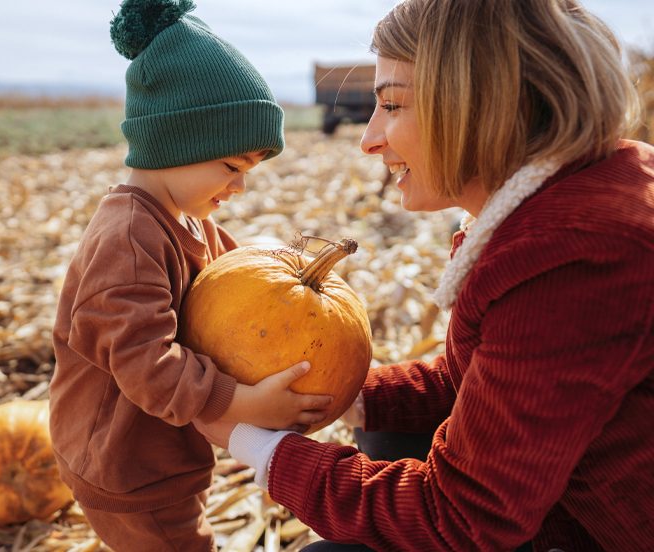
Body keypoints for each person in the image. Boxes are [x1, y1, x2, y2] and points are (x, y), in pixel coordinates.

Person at [198, 0, 654, 550]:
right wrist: (332, 393)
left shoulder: (572, 255)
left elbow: (461, 518)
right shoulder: (596, 186)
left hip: (608, 532)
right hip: (574, 504)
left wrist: (249, 440)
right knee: (385, 426)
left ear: (479, 103)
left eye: (392, 105)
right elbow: (483, 383)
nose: (369, 139)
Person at [47, 1, 332, 550]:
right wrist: (246, 406)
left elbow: (237, 280)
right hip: (124, 464)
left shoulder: (187, 220)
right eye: (231, 167)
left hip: (159, 454)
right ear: (179, 142)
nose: (240, 188)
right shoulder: (128, 240)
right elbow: (147, 367)